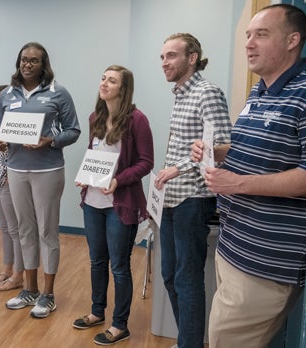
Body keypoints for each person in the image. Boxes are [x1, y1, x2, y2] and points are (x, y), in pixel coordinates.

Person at [190, 5, 306, 347]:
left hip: (267, 260)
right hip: (234, 243)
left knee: (223, 340)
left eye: (261, 34)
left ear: (292, 41)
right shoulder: (259, 91)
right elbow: (256, 150)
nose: (249, 44)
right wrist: (218, 152)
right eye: (247, 35)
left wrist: (237, 183)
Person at [154, 33, 232, 348]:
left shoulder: (207, 92)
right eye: (162, 57)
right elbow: (186, 148)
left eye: (171, 55)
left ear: (192, 58)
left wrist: (178, 168)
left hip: (194, 200)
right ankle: (189, 341)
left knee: (187, 281)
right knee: (171, 276)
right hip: (171, 198)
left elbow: (222, 146)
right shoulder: (180, 94)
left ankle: (189, 345)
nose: (164, 62)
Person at [0, 42, 81, 318]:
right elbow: (2, 130)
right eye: (23, 59)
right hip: (17, 168)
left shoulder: (59, 92)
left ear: (44, 65)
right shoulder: (7, 94)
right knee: (24, 230)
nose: (27, 64)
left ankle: (48, 294)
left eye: (34, 61)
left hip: (48, 170)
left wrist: (50, 141)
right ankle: (29, 289)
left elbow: (73, 130)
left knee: (47, 231)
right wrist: (2, 143)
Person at [72, 65, 154, 345]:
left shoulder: (137, 120)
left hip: (121, 204)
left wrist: (119, 181)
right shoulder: (96, 117)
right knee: (97, 261)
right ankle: (97, 312)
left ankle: (120, 325)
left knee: (119, 266)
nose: (104, 83)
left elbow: (146, 162)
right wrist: (85, 177)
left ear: (124, 88)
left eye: (112, 80)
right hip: (93, 201)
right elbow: (93, 155)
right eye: (103, 78)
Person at [0, 84, 24, 291]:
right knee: (4, 228)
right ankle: (7, 269)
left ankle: (18, 275)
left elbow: (19, 152)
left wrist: (11, 174)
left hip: (11, 180)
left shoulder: (14, 123)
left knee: (15, 229)